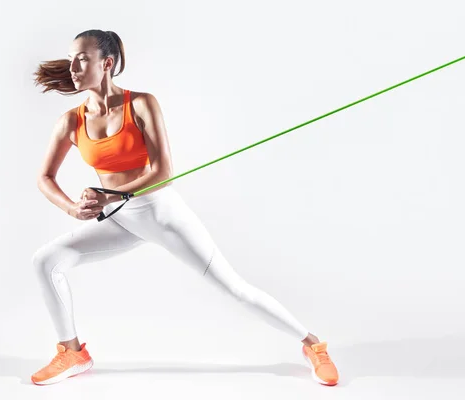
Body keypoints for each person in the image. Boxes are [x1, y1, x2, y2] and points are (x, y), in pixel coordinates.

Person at [30, 29, 339, 386]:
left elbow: (164, 173)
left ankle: (313, 345)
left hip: (160, 212)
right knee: (46, 260)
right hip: (119, 220)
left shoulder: (142, 103)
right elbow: (44, 177)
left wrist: (109, 196)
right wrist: (72, 209)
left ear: (107, 63)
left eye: (82, 58)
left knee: (233, 288)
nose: (73, 66)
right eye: (71, 58)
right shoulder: (71, 121)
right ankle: (73, 352)